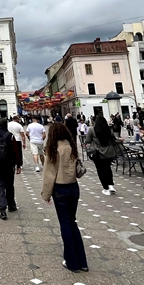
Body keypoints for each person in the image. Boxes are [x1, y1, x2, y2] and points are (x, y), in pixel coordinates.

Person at [40, 122, 88, 273]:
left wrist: (46, 194)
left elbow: (49, 173)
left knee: (65, 224)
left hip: (60, 189)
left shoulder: (53, 149)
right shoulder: (71, 146)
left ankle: (71, 262)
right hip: (74, 187)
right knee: (73, 222)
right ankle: (82, 262)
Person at [0, 118, 23, 220]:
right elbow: (16, 151)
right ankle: (11, 205)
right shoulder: (10, 136)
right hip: (9, 165)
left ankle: (2, 209)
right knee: (9, 185)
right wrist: (18, 165)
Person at [86, 116, 118, 195]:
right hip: (108, 153)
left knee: (100, 170)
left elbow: (88, 140)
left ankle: (105, 188)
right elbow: (114, 141)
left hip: (97, 153)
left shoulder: (92, 130)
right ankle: (111, 185)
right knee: (108, 168)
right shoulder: (109, 130)